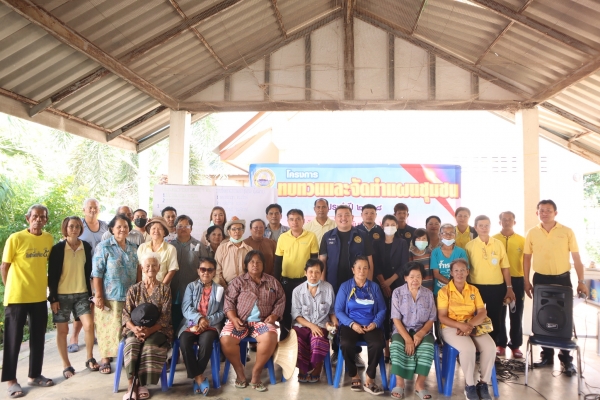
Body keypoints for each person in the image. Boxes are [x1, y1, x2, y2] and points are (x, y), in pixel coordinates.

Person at [524, 200, 588, 376]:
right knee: (543, 315)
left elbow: (576, 258)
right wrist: (526, 281)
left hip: (562, 279)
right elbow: (527, 258)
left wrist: (581, 281)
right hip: (540, 279)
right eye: (541, 210)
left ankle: (566, 359)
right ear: (537, 213)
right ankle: (546, 356)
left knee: (563, 317)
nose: (545, 213)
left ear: (555, 213)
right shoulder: (532, 232)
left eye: (548, 210)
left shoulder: (566, 231)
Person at [2, 204, 55, 398]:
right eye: (35, 216)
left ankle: (34, 375)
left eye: (42, 217)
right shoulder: (15, 238)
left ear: (46, 220)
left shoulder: (48, 239)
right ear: (28, 218)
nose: (38, 220)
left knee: (38, 338)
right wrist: (10, 289)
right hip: (17, 297)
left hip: (39, 296)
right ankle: (11, 380)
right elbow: (4, 267)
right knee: (13, 340)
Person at [220, 251, 285, 392]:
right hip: (240, 321)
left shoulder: (272, 282)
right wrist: (233, 318)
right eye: (252, 262)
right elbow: (229, 302)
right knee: (225, 338)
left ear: (263, 265)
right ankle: (240, 373)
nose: (255, 265)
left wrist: (274, 316)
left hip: (262, 322)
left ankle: (256, 373)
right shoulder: (238, 281)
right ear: (246, 265)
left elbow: (281, 300)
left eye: (258, 262)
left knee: (270, 336)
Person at [319, 205, 373, 366]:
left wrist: (368, 285)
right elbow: (322, 262)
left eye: (347, 215)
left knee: (356, 314)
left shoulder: (362, 235)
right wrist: (323, 284)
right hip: (333, 284)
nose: (343, 218)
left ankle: (355, 353)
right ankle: (336, 351)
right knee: (335, 316)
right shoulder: (328, 236)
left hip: (358, 285)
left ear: (352, 217)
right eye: (340, 215)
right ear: (335, 218)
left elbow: (369, 261)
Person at [437, 259, 495, 400]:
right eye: (456, 270)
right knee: (468, 348)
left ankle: (483, 383)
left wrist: (470, 325)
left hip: (472, 325)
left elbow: (482, 312)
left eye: (463, 270)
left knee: (490, 347)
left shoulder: (474, 290)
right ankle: (469, 386)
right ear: (451, 273)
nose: (460, 273)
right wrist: (460, 326)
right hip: (451, 327)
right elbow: (442, 317)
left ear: (467, 272)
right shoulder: (444, 292)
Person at [48, 217, 97, 380]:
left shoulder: (86, 247)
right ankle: (66, 365)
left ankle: (89, 358)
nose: (74, 229)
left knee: (89, 325)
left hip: (82, 294)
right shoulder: (58, 249)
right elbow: (52, 276)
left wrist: (91, 294)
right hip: (61, 296)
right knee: (63, 331)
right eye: (71, 226)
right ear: (65, 228)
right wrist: (53, 298)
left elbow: (89, 271)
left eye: (77, 226)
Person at [91, 214, 140, 375]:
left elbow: (138, 270)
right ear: (112, 229)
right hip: (109, 296)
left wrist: (139, 292)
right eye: (118, 226)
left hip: (129, 296)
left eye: (125, 226)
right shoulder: (104, 246)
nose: (122, 229)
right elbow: (97, 273)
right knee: (108, 329)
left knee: (125, 328)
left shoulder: (134, 247)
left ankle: (124, 358)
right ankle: (105, 359)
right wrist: (99, 295)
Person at [122, 252, 172, 400]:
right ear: (142, 268)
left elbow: (165, 317)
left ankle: (142, 384)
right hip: (135, 329)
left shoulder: (165, 289)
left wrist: (149, 330)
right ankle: (131, 385)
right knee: (132, 344)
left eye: (154, 265)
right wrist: (134, 329)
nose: (151, 268)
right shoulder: (134, 289)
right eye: (147, 265)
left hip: (158, 329)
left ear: (159, 268)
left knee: (149, 346)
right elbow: (125, 314)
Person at [335, 256, 386, 395]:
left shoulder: (374, 287)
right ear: (353, 270)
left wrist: (375, 323)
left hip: (370, 324)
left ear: (368, 270)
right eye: (359, 268)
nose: (362, 271)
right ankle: (354, 375)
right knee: (345, 343)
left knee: (377, 344)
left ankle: (370, 377)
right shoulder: (345, 287)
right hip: (350, 324)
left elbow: (382, 309)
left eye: (365, 268)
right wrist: (352, 324)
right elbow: (338, 310)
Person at [465, 215, 515, 356]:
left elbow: (505, 267)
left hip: (496, 287)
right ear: (475, 227)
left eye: (487, 225)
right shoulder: (469, 246)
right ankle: (475, 349)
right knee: (474, 318)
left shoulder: (498, 244)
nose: (484, 228)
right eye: (481, 225)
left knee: (494, 319)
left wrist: (509, 288)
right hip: (475, 287)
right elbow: (466, 269)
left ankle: (491, 349)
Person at [177, 257, 225, 395]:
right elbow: (186, 308)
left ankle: (197, 377)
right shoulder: (191, 287)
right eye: (203, 269)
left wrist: (206, 321)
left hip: (210, 325)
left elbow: (222, 312)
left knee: (206, 341)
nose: (206, 272)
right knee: (184, 341)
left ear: (214, 272)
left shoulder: (219, 289)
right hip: (191, 324)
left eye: (210, 270)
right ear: (198, 271)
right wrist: (199, 319)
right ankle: (199, 377)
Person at [390, 262, 436, 400]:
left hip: (423, 330)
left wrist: (421, 333)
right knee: (397, 345)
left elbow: (432, 318)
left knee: (427, 346)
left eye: (418, 276)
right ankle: (400, 383)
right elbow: (396, 319)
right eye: (411, 277)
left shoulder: (428, 294)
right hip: (402, 330)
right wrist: (408, 339)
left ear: (422, 278)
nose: (415, 280)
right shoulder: (397, 293)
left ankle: (419, 385)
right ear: (405, 278)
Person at [291, 259, 338, 383]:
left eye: (317, 272)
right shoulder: (297, 291)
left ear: (321, 273)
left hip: (322, 324)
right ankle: (303, 369)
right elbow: (296, 315)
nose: (313, 275)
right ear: (305, 272)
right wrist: (311, 326)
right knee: (297, 340)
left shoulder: (328, 288)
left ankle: (317, 367)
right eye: (310, 272)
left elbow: (332, 311)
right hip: (302, 325)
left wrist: (334, 324)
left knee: (317, 340)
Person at [72, 198, 107, 351]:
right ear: (84, 209)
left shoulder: (105, 226)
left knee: (96, 303)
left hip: (101, 272)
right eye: (90, 207)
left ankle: (93, 334)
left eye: (96, 207)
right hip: (83, 270)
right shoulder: (78, 225)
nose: (93, 210)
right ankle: (74, 336)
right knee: (84, 304)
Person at [372, 214, 408, 363]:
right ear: (382, 226)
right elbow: (375, 265)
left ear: (397, 226)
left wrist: (390, 281)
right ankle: (386, 348)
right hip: (380, 284)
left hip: (397, 283)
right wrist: (383, 283)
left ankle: (396, 347)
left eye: (393, 224)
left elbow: (404, 264)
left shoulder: (402, 243)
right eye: (387, 224)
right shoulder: (376, 243)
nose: (390, 227)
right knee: (384, 315)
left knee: (397, 316)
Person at [493, 211, 525, 358]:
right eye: (504, 219)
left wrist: (526, 281)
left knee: (516, 313)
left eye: (510, 219)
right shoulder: (493, 239)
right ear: (500, 222)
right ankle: (500, 343)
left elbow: (526, 261)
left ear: (514, 222)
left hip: (517, 280)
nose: (507, 222)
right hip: (498, 280)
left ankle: (516, 345)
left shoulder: (522, 240)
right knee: (499, 314)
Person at [169, 215, 208, 331]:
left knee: (189, 320)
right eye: (180, 226)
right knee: (173, 318)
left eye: (186, 226)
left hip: (193, 289)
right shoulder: (170, 245)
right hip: (173, 288)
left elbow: (206, 267)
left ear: (191, 228)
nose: (183, 229)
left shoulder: (199, 245)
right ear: (175, 228)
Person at [137, 217, 179, 284]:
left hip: (162, 287)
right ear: (149, 231)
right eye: (153, 228)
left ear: (164, 232)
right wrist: (140, 286)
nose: (156, 231)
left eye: (159, 229)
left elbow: (172, 270)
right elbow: (139, 269)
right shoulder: (142, 247)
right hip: (144, 286)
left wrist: (161, 287)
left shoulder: (170, 249)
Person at [430, 224, 468, 297]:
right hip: (440, 291)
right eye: (445, 233)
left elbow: (465, 271)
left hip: (458, 290)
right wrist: (452, 285)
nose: (448, 235)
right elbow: (436, 274)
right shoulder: (435, 252)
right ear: (440, 235)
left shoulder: (461, 252)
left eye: (451, 233)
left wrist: (456, 286)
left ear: (455, 235)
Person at [215, 217, 253, 287]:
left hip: (245, 285)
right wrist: (225, 287)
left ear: (243, 231)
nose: (237, 231)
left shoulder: (249, 249)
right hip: (226, 285)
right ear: (229, 232)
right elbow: (217, 271)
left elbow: (252, 270)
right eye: (234, 229)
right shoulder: (221, 248)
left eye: (239, 229)